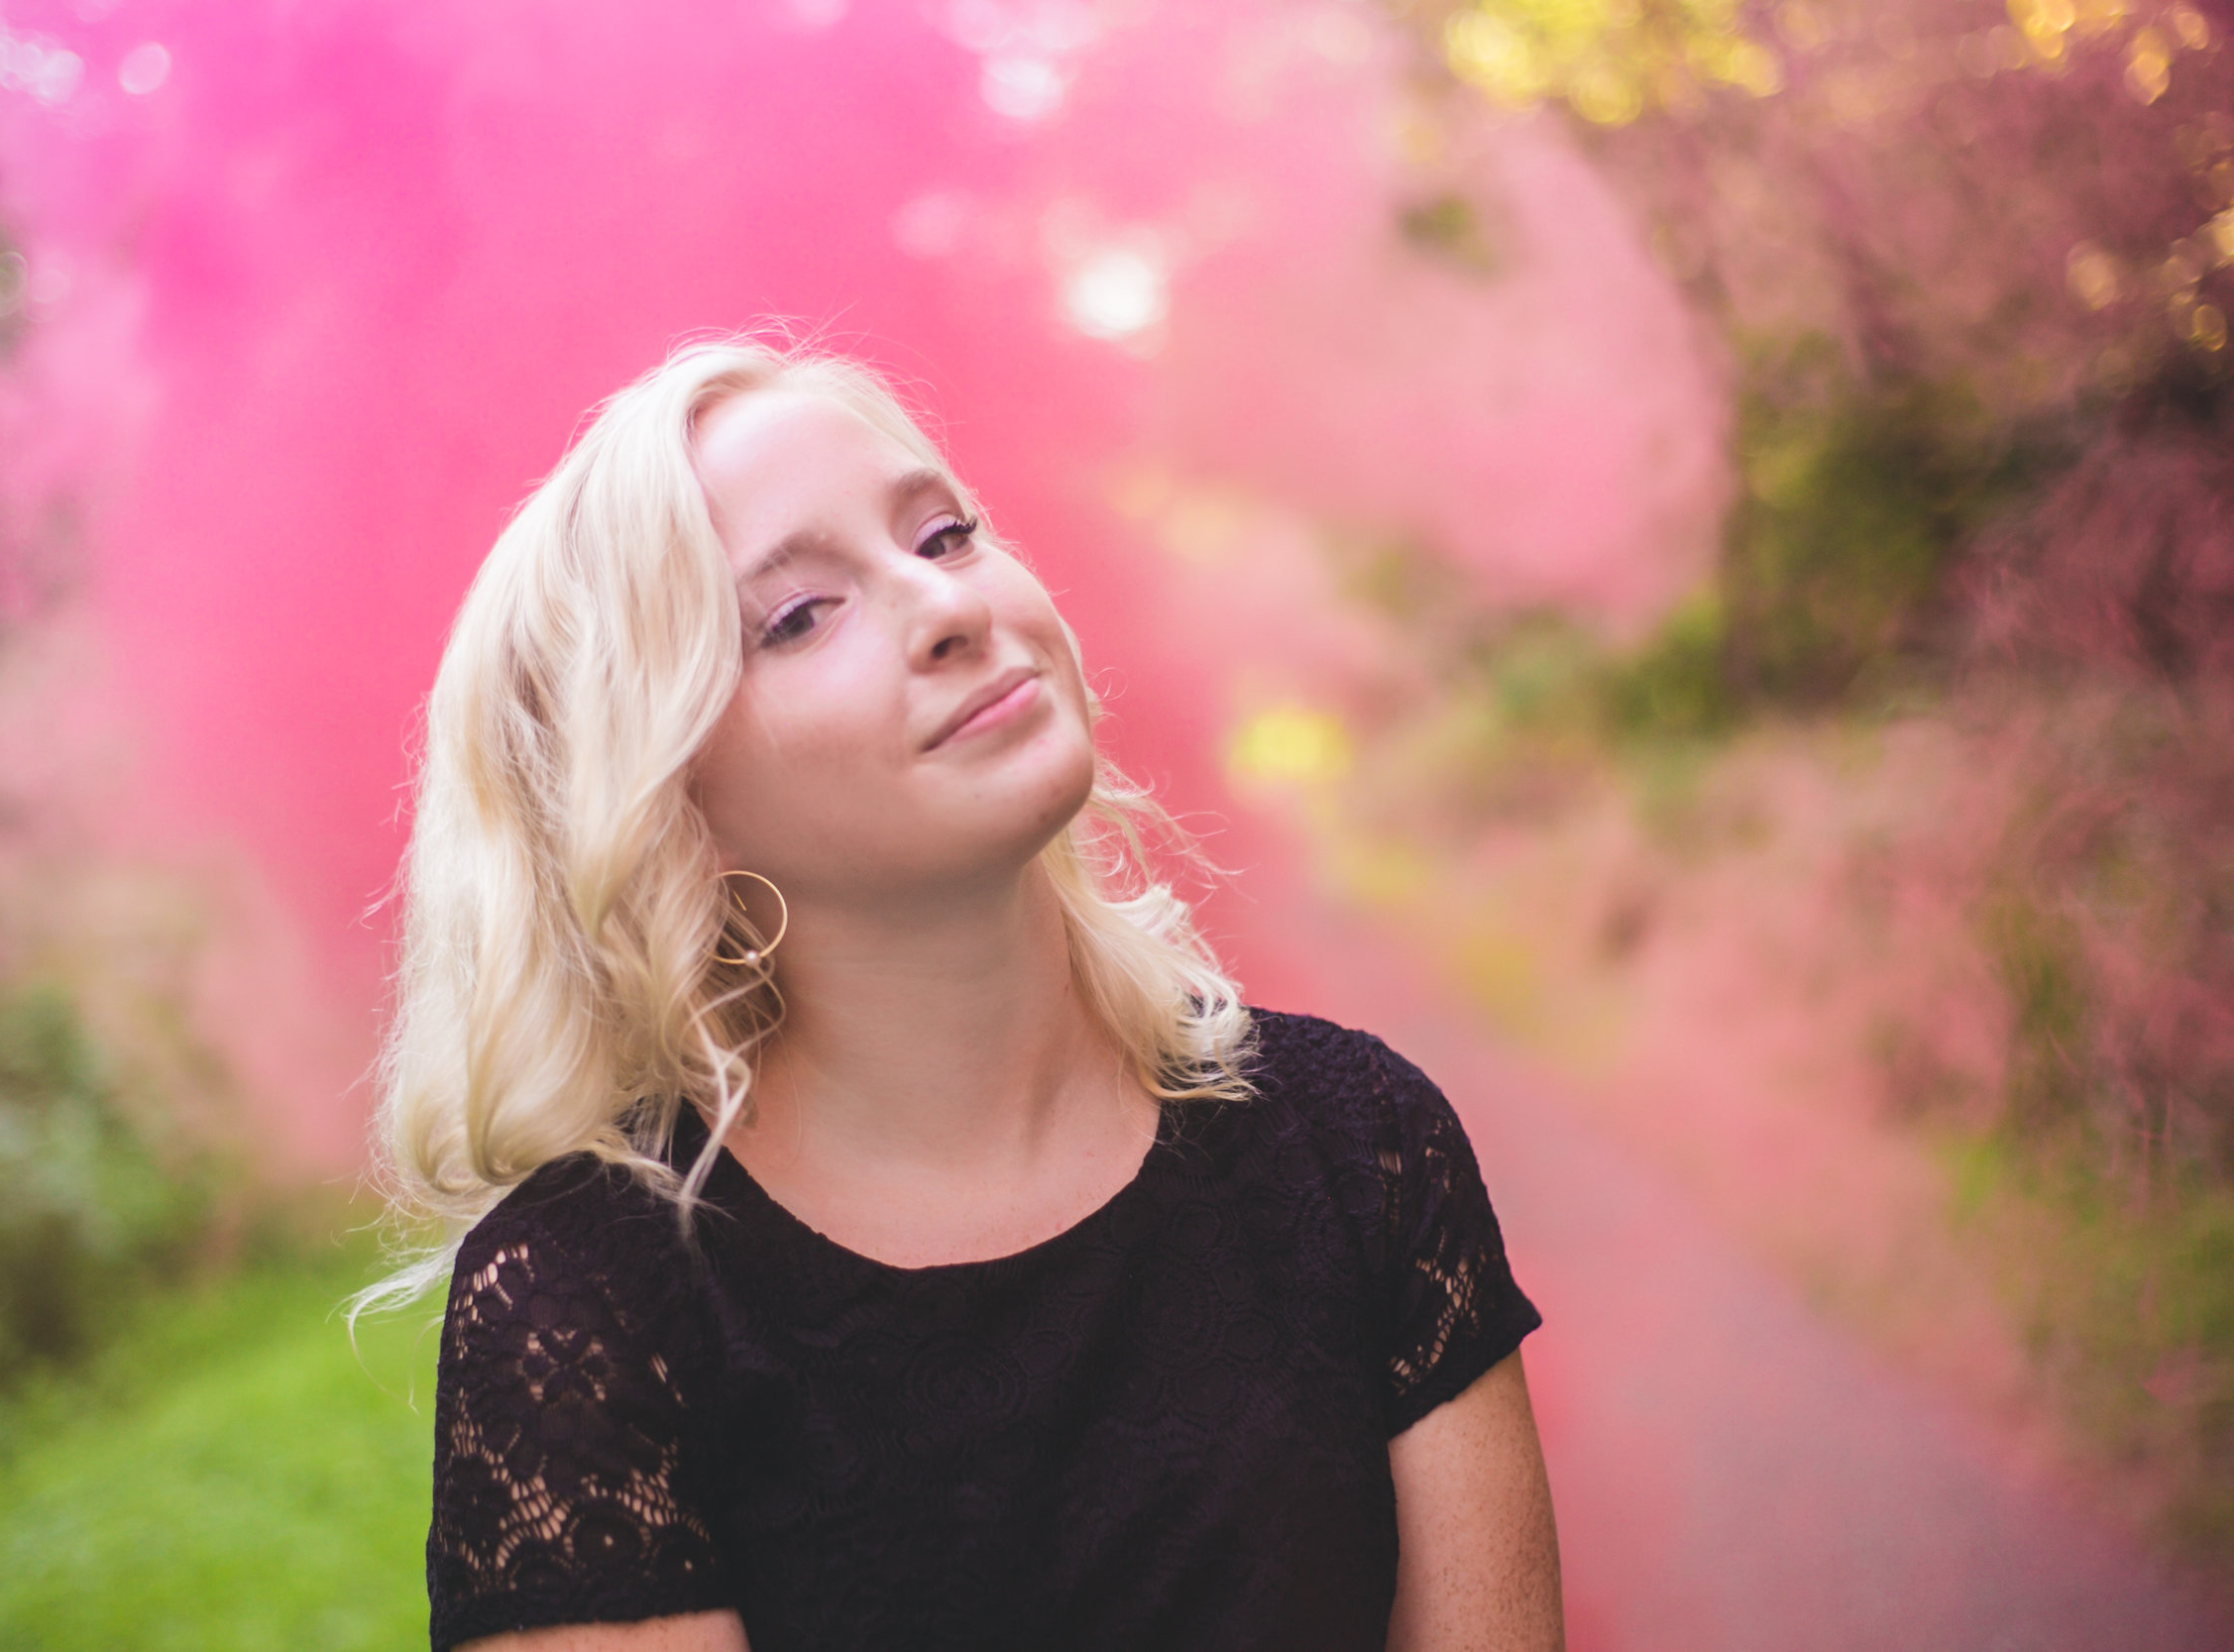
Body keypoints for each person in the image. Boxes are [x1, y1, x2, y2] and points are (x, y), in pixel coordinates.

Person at [358, 336, 1564, 1652]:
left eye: (942, 535)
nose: (949, 608)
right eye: (801, 615)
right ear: (666, 814)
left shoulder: (1360, 1144)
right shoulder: (588, 1313)